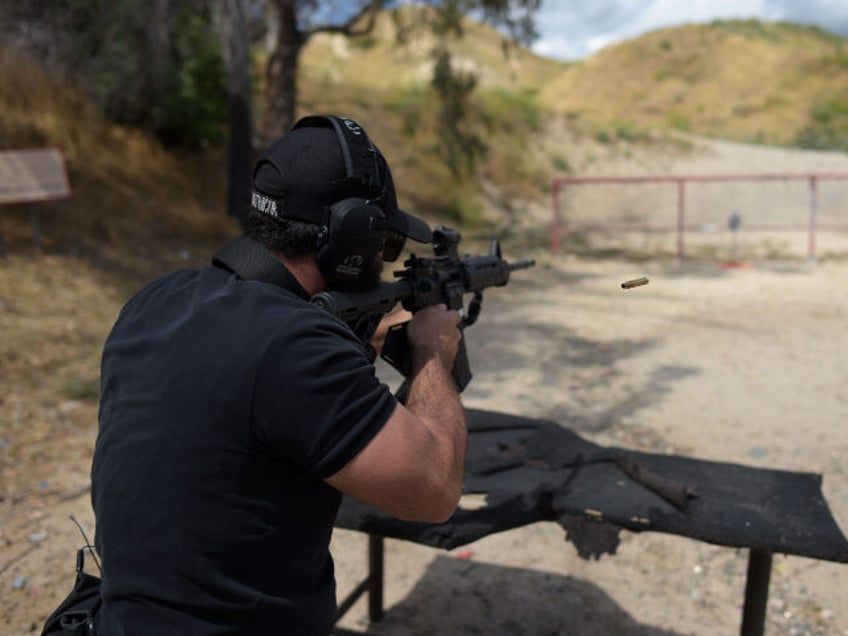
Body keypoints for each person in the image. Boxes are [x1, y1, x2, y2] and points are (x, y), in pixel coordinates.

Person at [90, 114, 467, 635]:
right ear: (352, 238)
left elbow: (248, 396)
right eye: (385, 246)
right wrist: (432, 350)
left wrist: (351, 348)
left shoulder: (156, 300)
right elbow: (435, 492)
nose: (385, 262)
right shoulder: (294, 348)